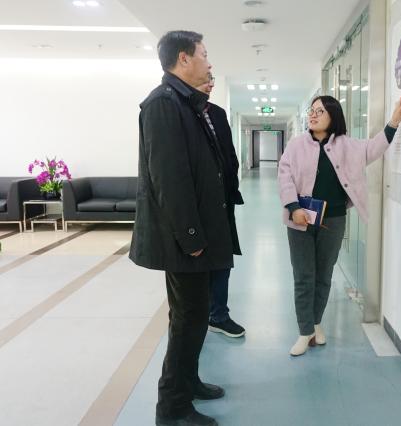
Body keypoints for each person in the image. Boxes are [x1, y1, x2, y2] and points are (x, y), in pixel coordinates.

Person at [129, 30, 234, 426]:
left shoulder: (186, 103)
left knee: (192, 316)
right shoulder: (163, 104)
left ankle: (189, 382)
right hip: (184, 239)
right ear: (184, 58)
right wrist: (191, 238)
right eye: (204, 54)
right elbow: (169, 178)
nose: (210, 62)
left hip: (195, 234)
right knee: (188, 319)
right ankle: (171, 406)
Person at [277, 95, 401, 356]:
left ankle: (315, 323)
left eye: (319, 111)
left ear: (333, 116)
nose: (312, 115)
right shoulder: (296, 144)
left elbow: (374, 148)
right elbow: (284, 175)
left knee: (323, 276)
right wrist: (293, 207)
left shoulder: (348, 145)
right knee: (304, 276)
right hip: (300, 219)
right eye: (311, 111)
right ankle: (304, 332)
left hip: (333, 220)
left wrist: (393, 122)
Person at [195, 73, 246, 338]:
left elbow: (229, 154)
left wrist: (231, 181)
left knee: (223, 260)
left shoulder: (217, 113)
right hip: (197, 203)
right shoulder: (180, 112)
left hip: (223, 201)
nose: (211, 83)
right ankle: (197, 316)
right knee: (197, 263)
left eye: (212, 79)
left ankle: (219, 315)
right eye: (206, 78)